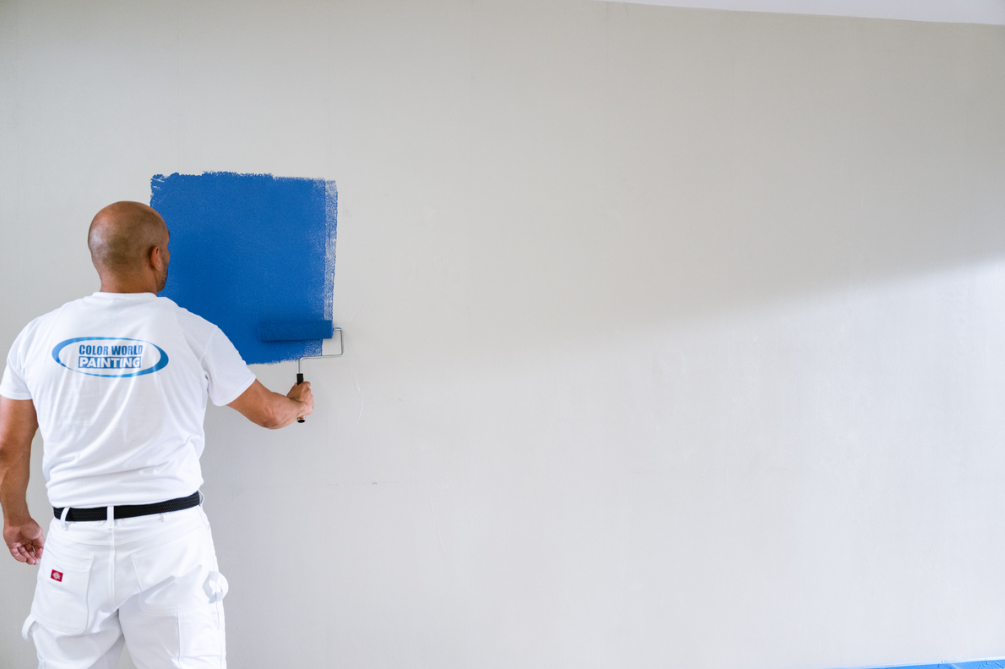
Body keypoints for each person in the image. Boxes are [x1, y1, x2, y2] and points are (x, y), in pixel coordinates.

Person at [0, 201, 312, 668]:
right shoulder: (191, 332)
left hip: (75, 543)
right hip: (167, 546)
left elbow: (9, 446)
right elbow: (268, 414)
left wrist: (16, 517)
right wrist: (300, 404)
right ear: (157, 256)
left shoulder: (37, 335)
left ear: (97, 257)